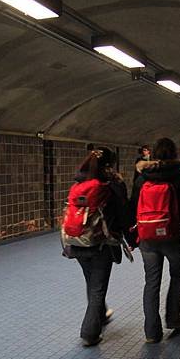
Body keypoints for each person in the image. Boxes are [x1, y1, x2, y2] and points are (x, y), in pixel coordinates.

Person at [129, 138, 180, 343]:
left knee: (151, 282)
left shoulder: (142, 178)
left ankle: (151, 332)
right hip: (173, 237)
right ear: (174, 154)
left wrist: (134, 239)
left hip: (148, 239)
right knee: (177, 277)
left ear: (153, 155)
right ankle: (174, 319)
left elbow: (132, 209)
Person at [61, 147, 129, 347]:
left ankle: (100, 314)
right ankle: (90, 332)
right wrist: (131, 237)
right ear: (109, 164)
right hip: (101, 242)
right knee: (98, 287)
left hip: (77, 241)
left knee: (91, 281)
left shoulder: (79, 182)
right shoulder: (110, 185)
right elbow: (123, 212)